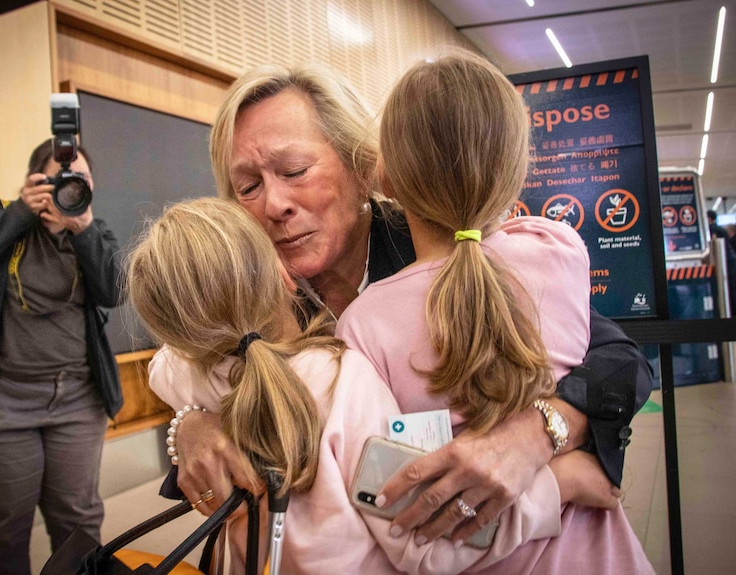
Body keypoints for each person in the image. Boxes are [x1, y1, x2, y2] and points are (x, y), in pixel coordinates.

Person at [167, 59, 652, 544]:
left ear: (364, 166)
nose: (274, 205)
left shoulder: (447, 239)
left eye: (294, 170)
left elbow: (620, 362)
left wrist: (535, 433)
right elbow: (189, 367)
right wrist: (188, 426)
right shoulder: (251, 296)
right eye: (248, 186)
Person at [129, 197, 621, 574]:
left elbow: (163, 369)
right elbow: (422, 541)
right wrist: (561, 484)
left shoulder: (186, 374)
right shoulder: (342, 379)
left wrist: (189, 417)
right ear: (282, 274)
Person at [336, 48, 652, 572]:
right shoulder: (559, 250)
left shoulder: (364, 324)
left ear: (385, 181)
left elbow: (404, 513)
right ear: (518, 169)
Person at [0, 140, 123, 575]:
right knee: (4, 530)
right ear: (35, 181)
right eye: (60, 178)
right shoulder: (4, 216)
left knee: (78, 524)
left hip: (76, 402)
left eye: (80, 178)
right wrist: (20, 212)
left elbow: (114, 291)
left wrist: (81, 228)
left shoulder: (94, 232)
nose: (72, 185)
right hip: (2, 401)